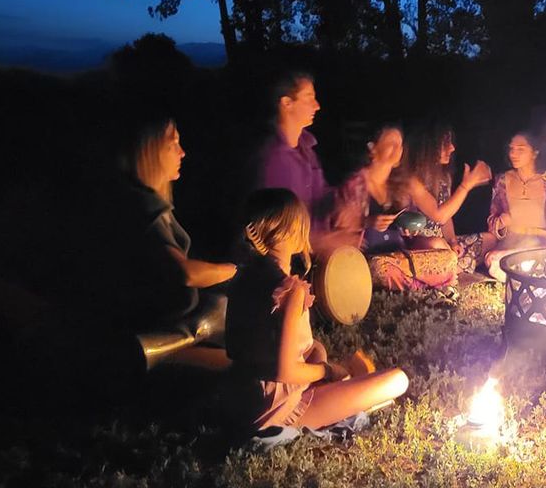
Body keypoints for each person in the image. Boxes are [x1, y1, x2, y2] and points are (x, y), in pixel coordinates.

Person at [223, 188, 408, 433]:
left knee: (316, 348)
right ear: (291, 230)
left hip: (242, 396)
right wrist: (327, 370)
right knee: (397, 380)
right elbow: (286, 371)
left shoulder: (243, 278)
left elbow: (234, 349)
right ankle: (335, 393)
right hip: (276, 408)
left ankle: (334, 387)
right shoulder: (289, 290)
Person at [92, 115, 238, 366]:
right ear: (150, 151)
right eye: (173, 145)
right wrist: (235, 270)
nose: (182, 153)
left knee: (220, 307)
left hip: (159, 319)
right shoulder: (142, 208)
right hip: (145, 325)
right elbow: (186, 274)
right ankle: (153, 352)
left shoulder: (145, 202)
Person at [330, 125, 480, 290]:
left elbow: (407, 228)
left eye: (400, 145)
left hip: (400, 255)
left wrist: (407, 229)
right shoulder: (356, 185)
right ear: (373, 148)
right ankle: (423, 286)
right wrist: (367, 222)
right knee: (380, 269)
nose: (397, 149)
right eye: (391, 144)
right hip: (370, 258)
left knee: (445, 253)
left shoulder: (397, 183)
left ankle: (416, 284)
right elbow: (339, 228)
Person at [483, 132, 546, 281]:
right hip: (511, 246)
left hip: (543, 247)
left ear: (535, 152)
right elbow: (492, 222)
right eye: (512, 149)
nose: (513, 154)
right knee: (494, 260)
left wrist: (530, 230)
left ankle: (531, 275)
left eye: (521, 149)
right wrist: (502, 223)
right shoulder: (502, 181)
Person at [399, 123, 491, 264]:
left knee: (490, 240)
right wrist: (465, 186)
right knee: (437, 245)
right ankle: (452, 266)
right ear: (429, 147)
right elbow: (439, 215)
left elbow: (447, 216)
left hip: (442, 243)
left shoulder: (443, 176)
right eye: (446, 143)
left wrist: (452, 241)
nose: (452, 148)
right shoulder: (413, 179)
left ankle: (451, 264)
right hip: (419, 244)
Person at [254, 71, 333, 233]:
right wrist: (320, 243)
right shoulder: (272, 158)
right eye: (309, 97)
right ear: (287, 103)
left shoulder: (307, 148)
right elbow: (278, 229)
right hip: (289, 256)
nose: (317, 105)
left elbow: (321, 198)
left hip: (314, 251)